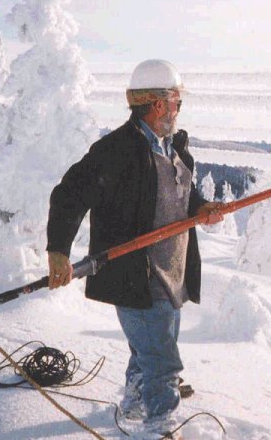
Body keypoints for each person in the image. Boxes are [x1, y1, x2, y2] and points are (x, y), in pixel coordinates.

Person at [45, 59, 223, 436]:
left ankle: (133, 408)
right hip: (134, 276)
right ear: (158, 104)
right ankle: (159, 428)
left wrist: (201, 208)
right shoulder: (117, 151)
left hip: (170, 275)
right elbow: (69, 194)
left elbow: (183, 194)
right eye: (176, 100)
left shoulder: (175, 148)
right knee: (162, 362)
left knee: (149, 352)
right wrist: (58, 249)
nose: (179, 108)